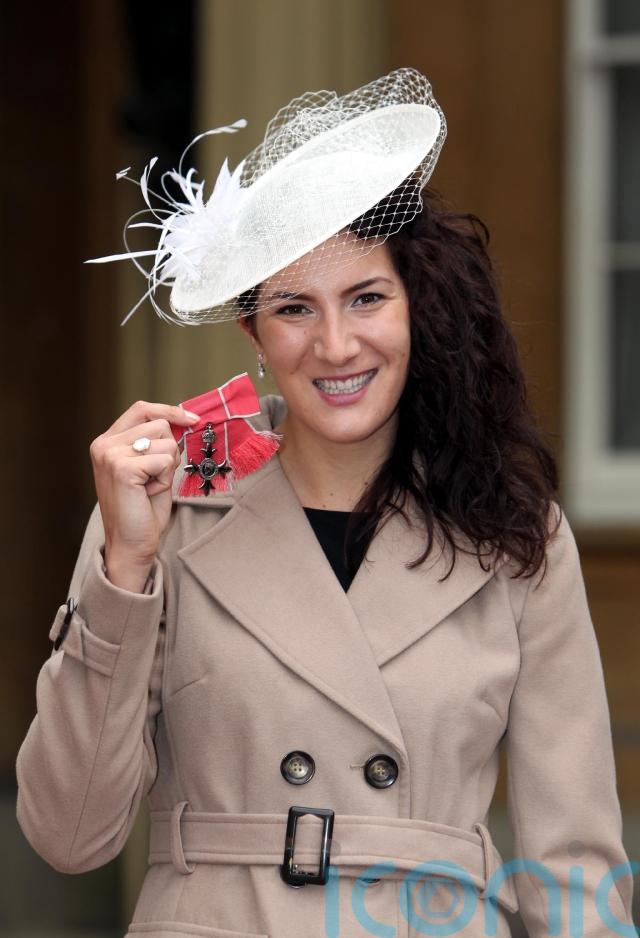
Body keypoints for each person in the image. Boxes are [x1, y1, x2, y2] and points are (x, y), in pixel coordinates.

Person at [15, 68, 635, 938]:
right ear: (253, 332)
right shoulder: (164, 510)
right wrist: (123, 570)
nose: (336, 345)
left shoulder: (513, 531)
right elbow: (70, 834)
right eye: (294, 309)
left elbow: (575, 872)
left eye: (367, 298)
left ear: (420, 307)